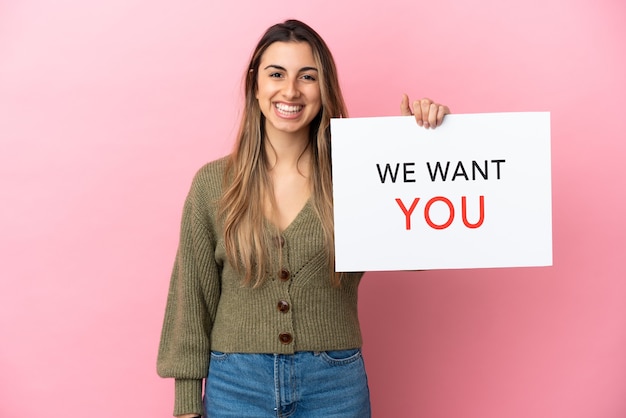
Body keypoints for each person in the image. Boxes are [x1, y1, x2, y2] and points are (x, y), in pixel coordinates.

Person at [157, 19, 450, 418]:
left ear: (323, 88)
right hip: (235, 383)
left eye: (307, 76)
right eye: (276, 73)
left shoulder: (359, 175)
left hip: (334, 385)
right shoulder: (213, 184)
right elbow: (191, 298)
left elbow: (417, 259)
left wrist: (414, 154)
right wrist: (187, 403)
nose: (290, 90)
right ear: (254, 84)